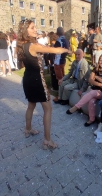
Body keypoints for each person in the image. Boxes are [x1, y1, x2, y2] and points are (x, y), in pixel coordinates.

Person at [16, 19, 71, 150]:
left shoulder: (20, 45)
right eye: (32, 27)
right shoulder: (32, 45)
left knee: (31, 105)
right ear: (25, 31)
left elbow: (20, 64)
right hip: (36, 80)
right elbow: (53, 50)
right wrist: (65, 50)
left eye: (34, 27)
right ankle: (47, 140)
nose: (35, 29)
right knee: (48, 109)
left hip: (27, 79)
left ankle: (28, 129)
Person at [66, 53, 102, 126]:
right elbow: (90, 80)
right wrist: (101, 84)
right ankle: (92, 119)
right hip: (96, 90)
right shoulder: (96, 68)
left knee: (92, 93)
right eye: (100, 60)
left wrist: (96, 78)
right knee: (91, 101)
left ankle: (76, 107)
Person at [52, 27, 70, 101]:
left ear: (57, 33)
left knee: (59, 79)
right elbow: (67, 50)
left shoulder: (58, 41)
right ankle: (63, 94)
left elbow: (54, 51)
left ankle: (60, 96)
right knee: (63, 77)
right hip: (63, 61)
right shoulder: (66, 40)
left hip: (58, 62)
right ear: (63, 32)